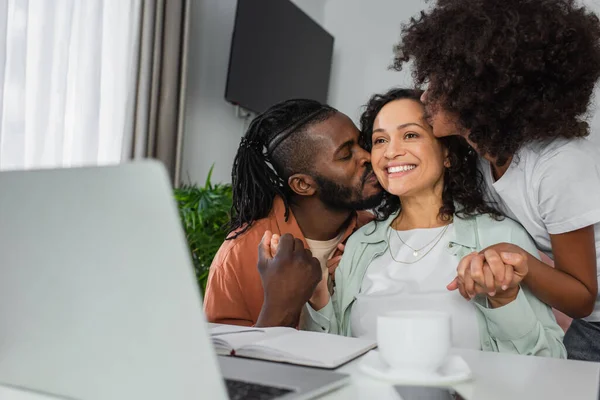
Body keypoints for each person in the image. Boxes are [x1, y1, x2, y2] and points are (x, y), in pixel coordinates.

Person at [394, 0, 600, 361]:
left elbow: (583, 297)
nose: (424, 96)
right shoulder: (481, 159)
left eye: (440, 85)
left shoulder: (556, 166)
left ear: (481, 92)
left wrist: (519, 258)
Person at [294, 88, 565, 357]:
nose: (390, 152)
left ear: (447, 153)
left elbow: (550, 362)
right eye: (379, 140)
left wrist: (504, 301)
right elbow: (331, 359)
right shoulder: (358, 245)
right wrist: (319, 299)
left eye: (410, 135)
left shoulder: (501, 237)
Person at [203, 99, 384, 327]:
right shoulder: (238, 255)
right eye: (346, 154)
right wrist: (282, 302)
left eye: (362, 143)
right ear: (303, 185)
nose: (367, 156)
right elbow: (225, 359)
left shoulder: (375, 231)